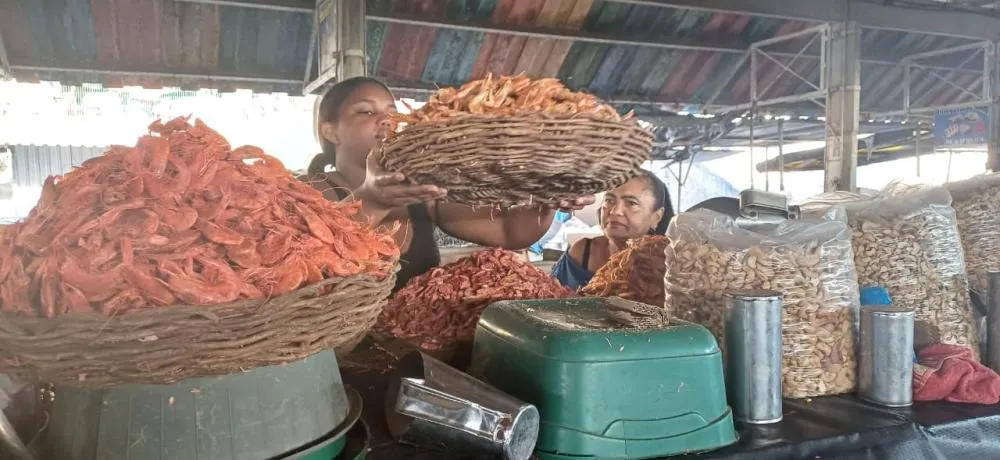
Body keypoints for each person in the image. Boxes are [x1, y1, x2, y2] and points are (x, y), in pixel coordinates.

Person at [303, 77, 594, 292]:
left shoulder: (419, 193)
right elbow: (299, 262)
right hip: (331, 362)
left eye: (392, 111)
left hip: (411, 351)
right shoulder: (307, 191)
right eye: (366, 112)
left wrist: (543, 200)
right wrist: (373, 200)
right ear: (330, 131)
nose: (386, 120)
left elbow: (508, 230)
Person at [551, 171, 675, 290]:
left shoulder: (670, 263)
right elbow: (551, 297)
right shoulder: (583, 252)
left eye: (631, 203)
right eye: (609, 200)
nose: (615, 211)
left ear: (657, 216)